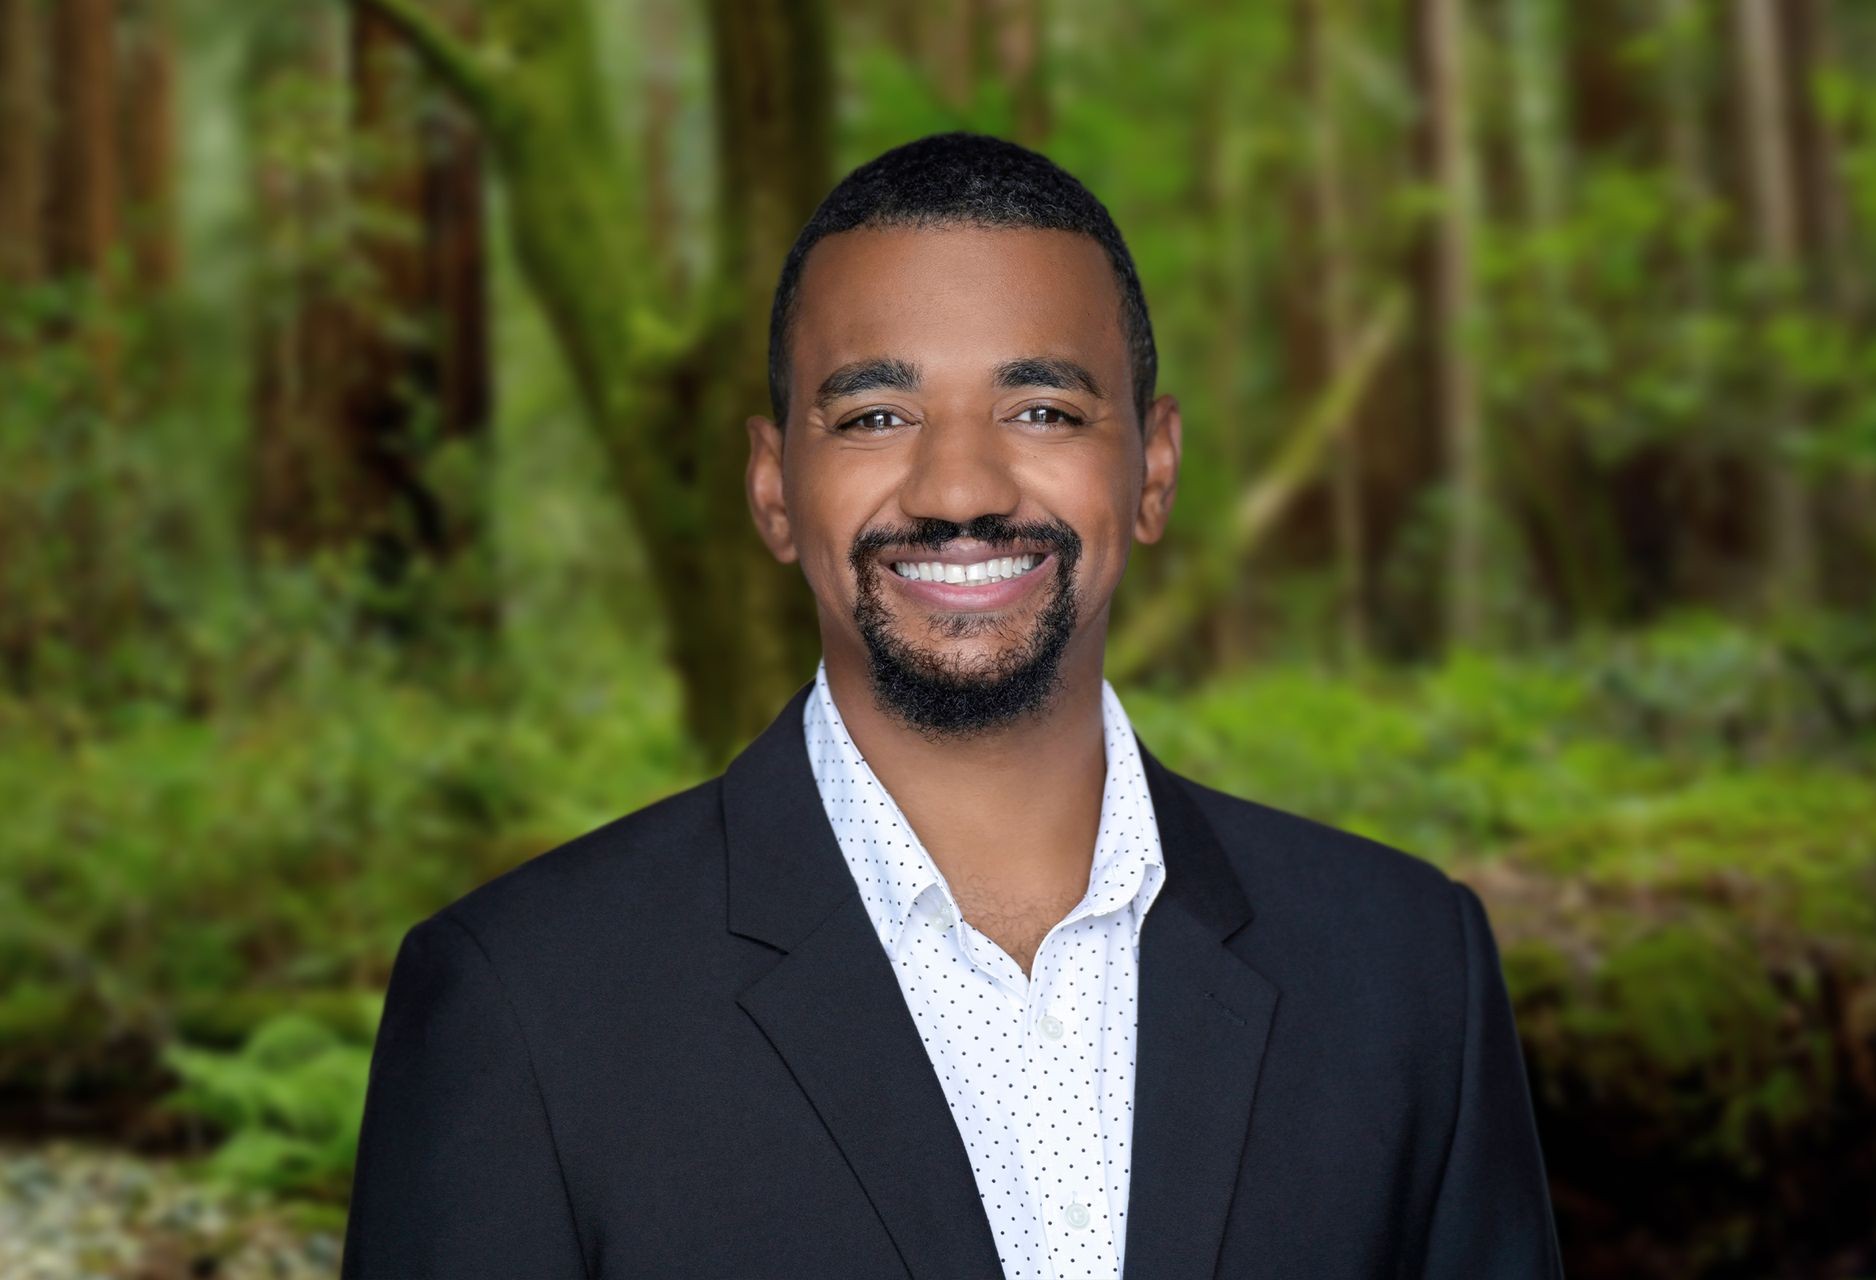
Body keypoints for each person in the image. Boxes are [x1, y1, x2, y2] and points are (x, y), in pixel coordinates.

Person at [341, 131, 1563, 1280]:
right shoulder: (521, 1002)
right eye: (878, 415)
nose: (960, 487)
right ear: (774, 486)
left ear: (1154, 467)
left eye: (1042, 410)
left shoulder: (1407, 970)